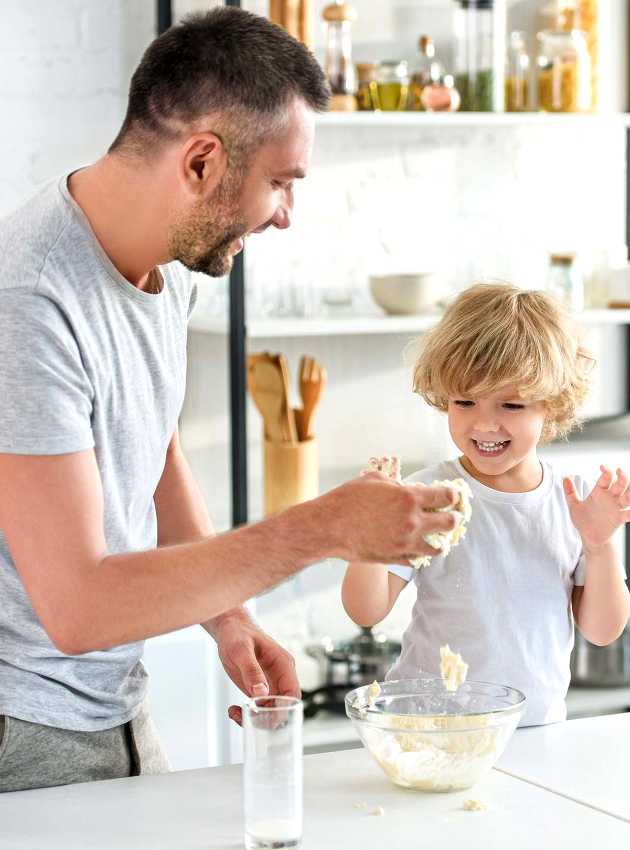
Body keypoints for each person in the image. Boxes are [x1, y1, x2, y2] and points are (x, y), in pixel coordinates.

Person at [0, 8, 462, 793]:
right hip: (27, 728)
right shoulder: (31, 303)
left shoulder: (169, 263)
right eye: (280, 182)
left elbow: (154, 448)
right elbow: (75, 608)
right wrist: (322, 527)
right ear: (203, 162)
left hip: (112, 704)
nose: (286, 212)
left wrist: (230, 616)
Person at [342, 283, 630, 726]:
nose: (484, 423)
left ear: (552, 407)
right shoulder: (428, 495)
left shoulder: (571, 502)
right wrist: (367, 534)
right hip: (432, 727)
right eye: (465, 401)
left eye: (511, 404)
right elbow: (366, 609)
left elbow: (602, 629)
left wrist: (601, 544)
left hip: (535, 729)